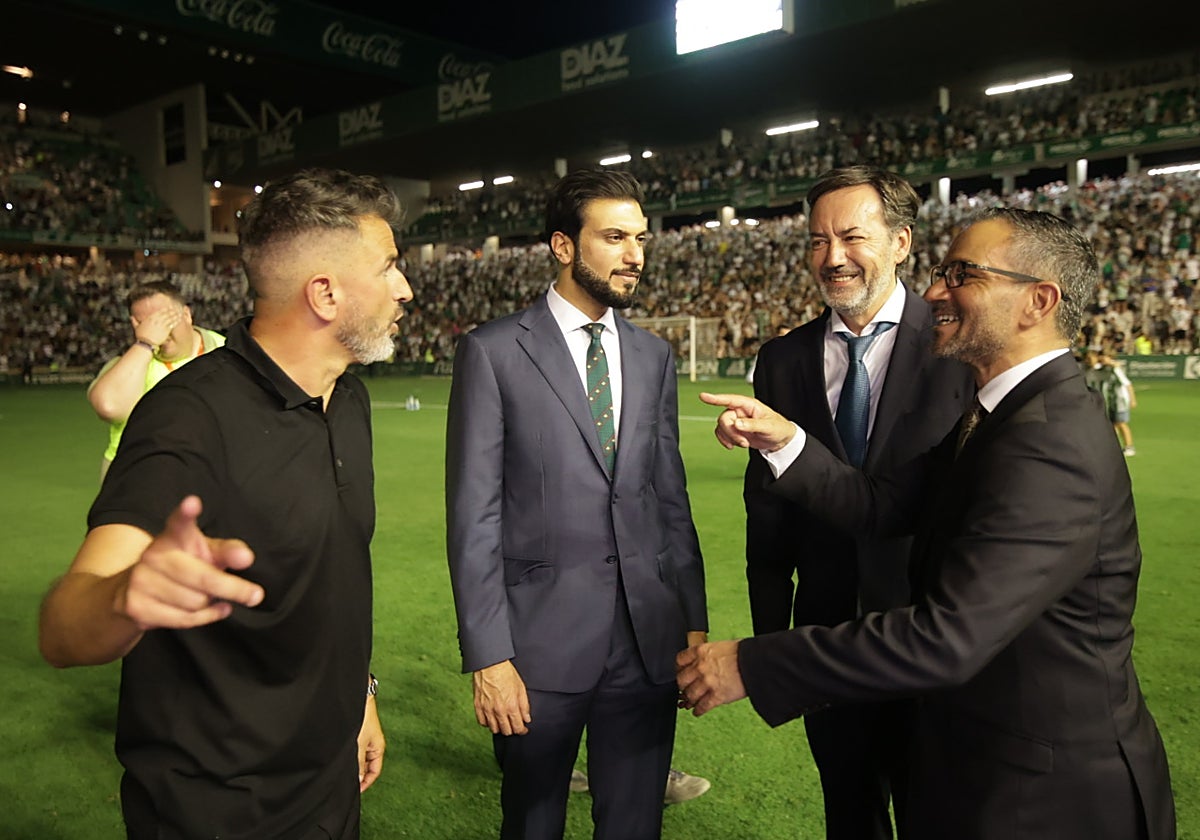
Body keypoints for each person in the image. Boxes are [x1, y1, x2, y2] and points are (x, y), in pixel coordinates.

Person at [680, 208, 1175, 840]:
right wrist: (785, 441)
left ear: (1037, 301)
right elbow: (879, 505)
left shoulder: (1050, 442)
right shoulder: (996, 418)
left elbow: (949, 638)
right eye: (941, 272)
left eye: (962, 274)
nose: (935, 290)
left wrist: (754, 664)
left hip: (1044, 796)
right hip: (985, 765)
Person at [39, 168, 413, 839]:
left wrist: (360, 695)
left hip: (329, 787)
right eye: (389, 268)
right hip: (212, 809)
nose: (405, 288)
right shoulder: (188, 415)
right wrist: (127, 593)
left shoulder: (347, 398)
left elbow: (332, 577)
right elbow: (62, 627)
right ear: (324, 293)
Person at [445, 169, 707, 840]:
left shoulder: (654, 356)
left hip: (648, 640)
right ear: (563, 246)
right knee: (533, 824)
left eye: (640, 238)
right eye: (615, 237)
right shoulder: (493, 351)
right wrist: (488, 655)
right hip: (538, 646)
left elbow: (668, 498)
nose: (635, 255)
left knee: (634, 825)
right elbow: (474, 516)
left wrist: (692, 620)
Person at [743, 165, 972, 840]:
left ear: (901, 241)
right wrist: (772, 636)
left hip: (934, 637)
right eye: (817, 240)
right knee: (849, 811)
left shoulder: (958, 344)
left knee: (941, 813)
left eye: (851, 236)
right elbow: (768, 510)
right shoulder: (781, 360)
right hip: (824, 634)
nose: (832, 257)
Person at [87, 280, 226, 481]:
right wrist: (146, 343)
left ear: (186, 315)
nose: (159, 330)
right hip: (137, 483)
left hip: (212, 479)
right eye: (147, 324)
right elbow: (109, 406)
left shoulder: (227, 351)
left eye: (164, 319)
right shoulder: (129, 366)